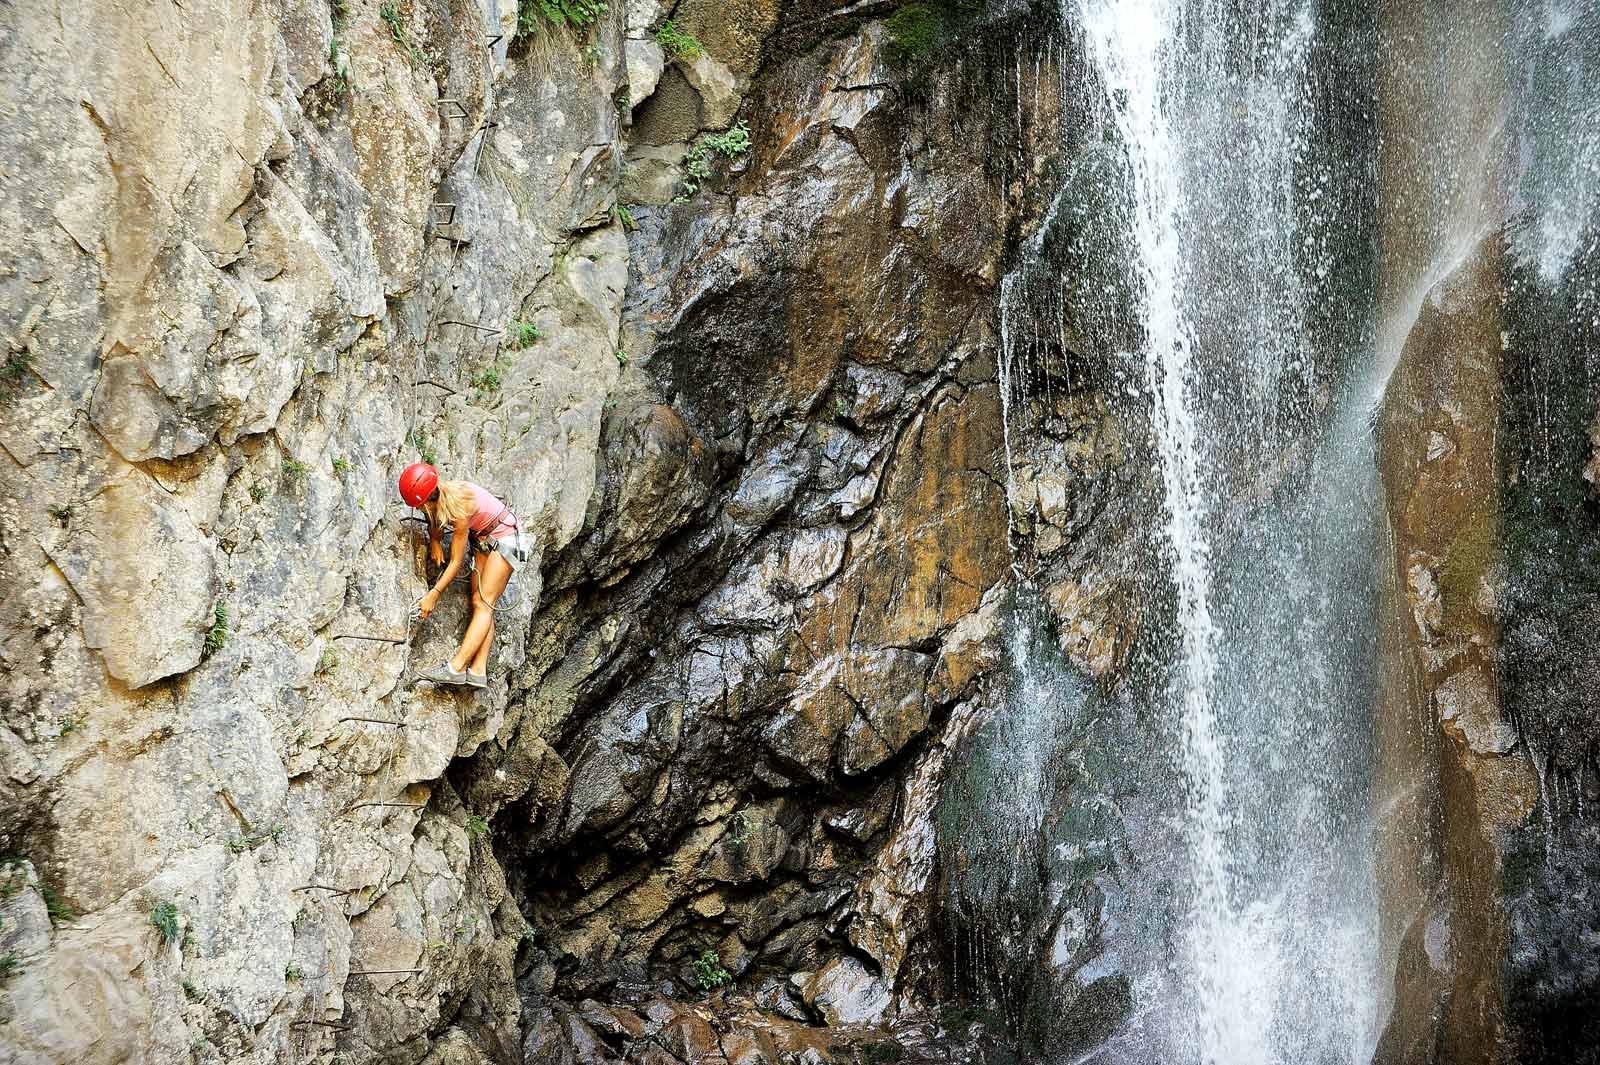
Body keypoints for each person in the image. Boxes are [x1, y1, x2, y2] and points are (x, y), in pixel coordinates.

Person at [397, 462, 526, 688]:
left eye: (418, 507)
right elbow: (435, 519)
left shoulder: (460, 506)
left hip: (505, 538)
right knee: (479, 602)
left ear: (426, 502)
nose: (418, 511)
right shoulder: (441, 496)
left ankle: (456, 668)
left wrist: (433, 594)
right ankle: (478, 671)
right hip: (486, 539)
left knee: (485, 604)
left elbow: (456, 561)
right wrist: (435, 541)